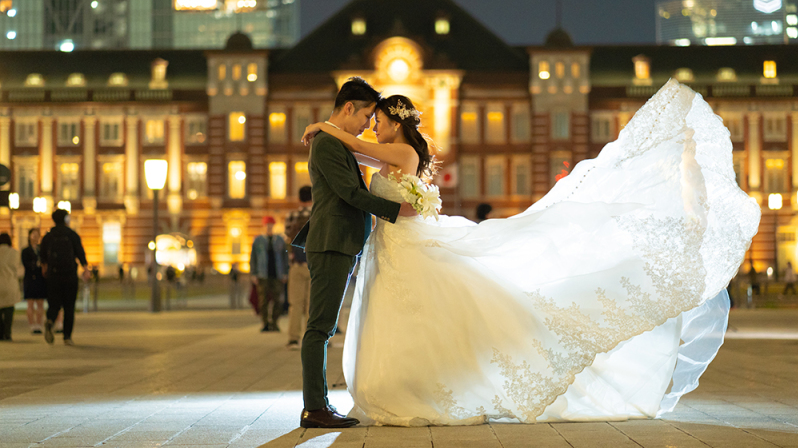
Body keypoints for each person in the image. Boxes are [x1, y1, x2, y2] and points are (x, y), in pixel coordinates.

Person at [300, 79, 760, 425]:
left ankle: (413, 387)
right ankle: (394, 386)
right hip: (387, 244)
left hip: (399, 238)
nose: (371, 125)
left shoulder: (393, 152)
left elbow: (357, 149)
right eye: (368, 118)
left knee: (427, 309)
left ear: (395, 121)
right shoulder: (377, 151)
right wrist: (329, 132)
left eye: (377, 119)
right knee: (403, 315)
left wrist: (323, 126)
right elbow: (355, 153)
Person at [292, 77, 418, 429]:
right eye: (365, 117)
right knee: (320, 327)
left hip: (339, 241)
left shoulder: (334, 141)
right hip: (332, 241)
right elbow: (349, 193)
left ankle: (317, 405)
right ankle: (314, 407)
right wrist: (396, 211)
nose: (367, 125)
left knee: (323, 325)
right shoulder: (328, 145)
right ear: (349, 108)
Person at [40, 208, 89, 346]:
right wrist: (85, 269)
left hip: (53, 275)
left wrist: (45, 269)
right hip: (69, 275)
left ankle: (50, 320)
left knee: (54, 303)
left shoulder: (48, 236)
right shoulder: (72, 234)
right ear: (66, 219)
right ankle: (67, 337)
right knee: (69, 306)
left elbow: (42, 256)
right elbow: (80, 252)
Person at [284, 185, 313, 350]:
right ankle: (311, 338)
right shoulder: (317, 212)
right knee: (312, 305)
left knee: (295, 304)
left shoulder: (291, 215)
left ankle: (293, 339)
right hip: (314, 264)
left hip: (296, 265)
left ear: (299, 199)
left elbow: (288, 235)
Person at [250, 216, 288, 332]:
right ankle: (265, 323)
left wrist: (285, 273)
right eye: (267, 225)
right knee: (263, 301)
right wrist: (254, 273)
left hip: (277, 274)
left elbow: (284, 257)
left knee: (278, 300)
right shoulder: (258, 240)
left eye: (271, 225)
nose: (269, 227)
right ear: (264, 226)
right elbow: (253, 258)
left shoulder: (280, 240)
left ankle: (275, 322)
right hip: (263, 274)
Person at [22, 228, 46, 334]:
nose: (35, 238)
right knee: (30, 303)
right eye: (33, 235)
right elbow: (26, 264)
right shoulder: (26, 251)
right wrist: (36, 265)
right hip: (30, 279)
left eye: (37, 235)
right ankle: (32, 325)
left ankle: (39, 324)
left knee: (40, 303)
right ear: (29, 236)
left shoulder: (42, 250)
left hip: (40, 279)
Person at [0, 232, 23, 341]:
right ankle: (7, 333)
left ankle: (0, 333)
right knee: (9, 309)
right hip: (10, 283)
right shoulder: (14, 253)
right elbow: (16, 268)